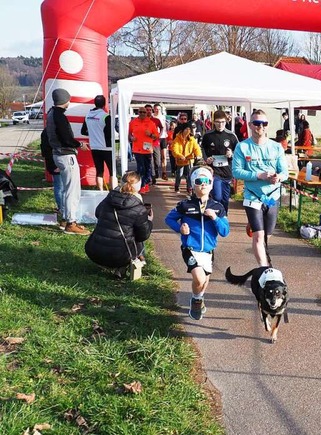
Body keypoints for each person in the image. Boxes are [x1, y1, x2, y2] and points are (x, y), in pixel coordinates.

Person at [165, 166, 230, 320]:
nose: (203, 184)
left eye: (207, 181)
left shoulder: (218, 207)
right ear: (193, 184)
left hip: (208, 250)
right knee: (199, 278)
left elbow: (225, 231)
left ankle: (199, 297)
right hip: (190, 247)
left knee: (204, 280)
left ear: (212, 184)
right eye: (199, 181)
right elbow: (168, 219)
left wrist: (215, 218)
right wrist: (180, 228)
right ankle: (196, 299)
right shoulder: (185, 205)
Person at [232, 109, 288, 266]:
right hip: (252, 196)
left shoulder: (276, 147)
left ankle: (255, 226)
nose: (260, 126)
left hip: (272, 196)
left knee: (266, 237)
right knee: (258, 236)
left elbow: (284, 172)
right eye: (257, 123)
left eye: (264, 123)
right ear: (250, 125)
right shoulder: (242, 147)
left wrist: (279, 177)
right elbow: (236, 172)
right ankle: (264, 269)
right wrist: (259, 175)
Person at [84, 171, 153, 277]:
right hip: (119, 256)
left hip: (93, 251)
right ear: (138, 187)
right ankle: (130, 264)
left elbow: (98, 213)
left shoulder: (109, 198)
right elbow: (143, 236)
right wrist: (149, 221)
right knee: (137, 238)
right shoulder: (139, 208)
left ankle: (114, 264)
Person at [46, 87, 90, 235]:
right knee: (72, 190)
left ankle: (65, 219)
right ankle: (71, 223)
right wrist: (80, 144)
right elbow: (66, 138)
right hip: (66, 155)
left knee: (66, 189)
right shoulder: (59, 116)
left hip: (57, 154)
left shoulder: (51, 113)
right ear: (65, 100)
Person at [201, 109, 239, 213]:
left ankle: (223, 216)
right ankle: (215, 215)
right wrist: (206, 158)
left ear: (226, 121)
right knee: (217, 196)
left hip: (227, 171)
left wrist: (232, 154)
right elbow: (203, 148)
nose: (220, 124)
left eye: (222, 122)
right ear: (213, 122)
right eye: (217, 122)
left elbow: (239, 151)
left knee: (225, 199)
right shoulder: (208, 135)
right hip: (214, 170)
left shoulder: (231, 135)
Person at [81, 94, 113, 191]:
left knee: (99, 171)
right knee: (112, 171)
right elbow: (110, 133)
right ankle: (113, 191)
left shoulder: (88, 116)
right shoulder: (106, 116)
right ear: (104, 105)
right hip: (107, 148)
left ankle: (100, 191)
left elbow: (83, 131)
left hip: (95, 147)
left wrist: (93, 133)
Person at [128, 107, 159, 194]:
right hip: (137, 149)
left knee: (147, 168)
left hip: (147, 149)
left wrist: (151, 134)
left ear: (147, 113)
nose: (142, 114)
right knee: (140, 168)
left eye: (144, 112)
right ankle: (140, 186)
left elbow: (156, 136)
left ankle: (145, 184)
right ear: (138, 112)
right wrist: (131, 138)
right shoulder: (133, 122)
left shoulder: (151, 123)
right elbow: (129, 135)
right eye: (140, 112)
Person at [171, 125, 202, 195]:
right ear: (182, 130)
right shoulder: (177, 139)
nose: (187, 131)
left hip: (189, 160)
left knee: (189, 174)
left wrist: (198, 155)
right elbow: (174, 149)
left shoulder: (192, 139)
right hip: (180, 160)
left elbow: (196, 148)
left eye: (189, 129)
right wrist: (179, 155)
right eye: (186, 129)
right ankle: (177, 186)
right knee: (179, 174)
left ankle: (189, 187)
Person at [145, 104, 163, 185]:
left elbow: (162, 127)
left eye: (149, 110)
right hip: (146, 143)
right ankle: (152, 177)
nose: (148, 111)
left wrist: (159, 135)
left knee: (157, 161)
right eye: (147, 110)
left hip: (155, 142)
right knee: (149, 160)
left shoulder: (156, 120)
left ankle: (155, 172)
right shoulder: (142, 120)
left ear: (151, 110)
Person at [153, 103, 168, 180]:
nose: (157, 110)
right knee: (157, 157)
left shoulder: (163, 117)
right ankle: (155, 172)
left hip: (163, 138)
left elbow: (165, 127)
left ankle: (164, 173)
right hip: (156, 138)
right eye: (156, 109)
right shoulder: (152, 117)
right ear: (154, 109)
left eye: (159, 109)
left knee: (164, 156)